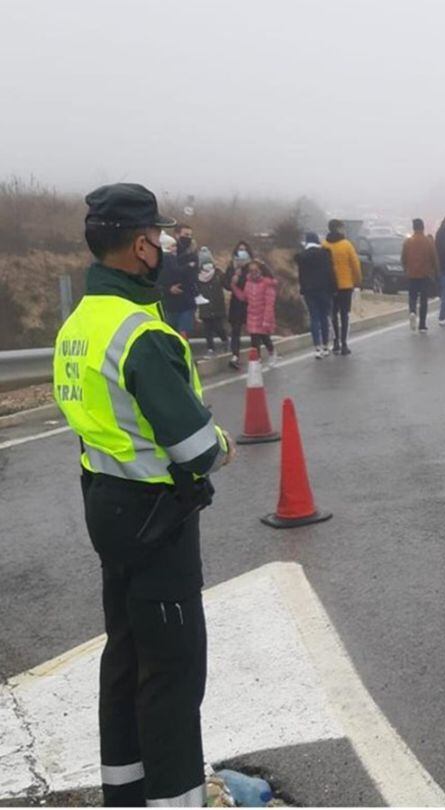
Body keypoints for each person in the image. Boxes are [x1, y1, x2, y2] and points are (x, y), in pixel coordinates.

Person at [52, 183, 235, 808]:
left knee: (125, 659)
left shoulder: (78, 323)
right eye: (157, 237)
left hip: (105, 505)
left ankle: (124, 795)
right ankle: (179, 801)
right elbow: (195, 447)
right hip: (159, 519)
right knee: (174, 675)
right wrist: (222, 443)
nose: (161, 246)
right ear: (139, 245)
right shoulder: (143, 334)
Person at [323, 219, 362, 355]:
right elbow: (355, 265)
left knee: (333, 314)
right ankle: (344, 343)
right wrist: (357, 280)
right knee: (344, 315)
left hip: (329, 286)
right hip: (345, 285)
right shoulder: (346, 245)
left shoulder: (324, 244)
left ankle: (335, 342)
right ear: (339, 228)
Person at [296, 231, 335, 358]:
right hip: (324, 290)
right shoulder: (325, 254)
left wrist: (302, 289)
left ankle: (316, 348)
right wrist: (333, 288)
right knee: (324, 317)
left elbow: (301, 275)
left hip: (309, 291)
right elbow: (330, 273)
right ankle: (325, 346)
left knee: (314, 318)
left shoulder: (302, 256)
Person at [235, 259, 278, 367]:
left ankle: (272, 353)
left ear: (261, 271)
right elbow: (244, 297)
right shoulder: (248, 283)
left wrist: (267, 320)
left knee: (265, 337)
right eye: (251, 270)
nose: (253, 272)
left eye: (256, 270)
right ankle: (257, 359)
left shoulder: (267, 283)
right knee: (254, 339)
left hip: (263, 315)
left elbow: (269, 303)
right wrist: (233, 286)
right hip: (252, 315)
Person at [158, 228, 196, 338]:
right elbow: (156, 282)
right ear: (177, 234)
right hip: (170, 304)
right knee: (172, 334)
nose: (188, 238)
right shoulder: (165, 258)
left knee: (182, 332)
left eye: (190, 235)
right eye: (185, 234)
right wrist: (168, 289)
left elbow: (193, 277)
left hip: (186, 301)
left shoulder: (191, 254)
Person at [401, 218, 437, 333]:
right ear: (423, 227)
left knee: (412, 296)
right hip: (425, 274)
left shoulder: (408, 242)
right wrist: (436, 272)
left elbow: (403, 258)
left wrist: (406, 269)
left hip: (411, 274)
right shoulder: (428, 241)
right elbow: (434, 258)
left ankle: (412, 311)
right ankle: (422, 325)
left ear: (413, 228)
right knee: (423, 300)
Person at [196, 246, 227, 357]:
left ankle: (225, 341)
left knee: (219, 328)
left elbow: (227, 285)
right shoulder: (198, 277)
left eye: (209, 262)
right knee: (207, 330)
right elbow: (195, 291)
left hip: (218, 306)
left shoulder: (218, 274)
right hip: (205, 308)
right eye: (205, 263)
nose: (207, 265)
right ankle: (210, 348)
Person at [224, 242, 252, 369]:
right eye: (240, 250)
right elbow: (225, 283)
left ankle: (256, 354)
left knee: (253, 329)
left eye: (244, 250)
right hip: (236, 303)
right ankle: (235, 355)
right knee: (236, 329)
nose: (242, 252)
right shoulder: (231, 267)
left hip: (250, 302)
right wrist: (233, 278)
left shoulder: (252, 267)